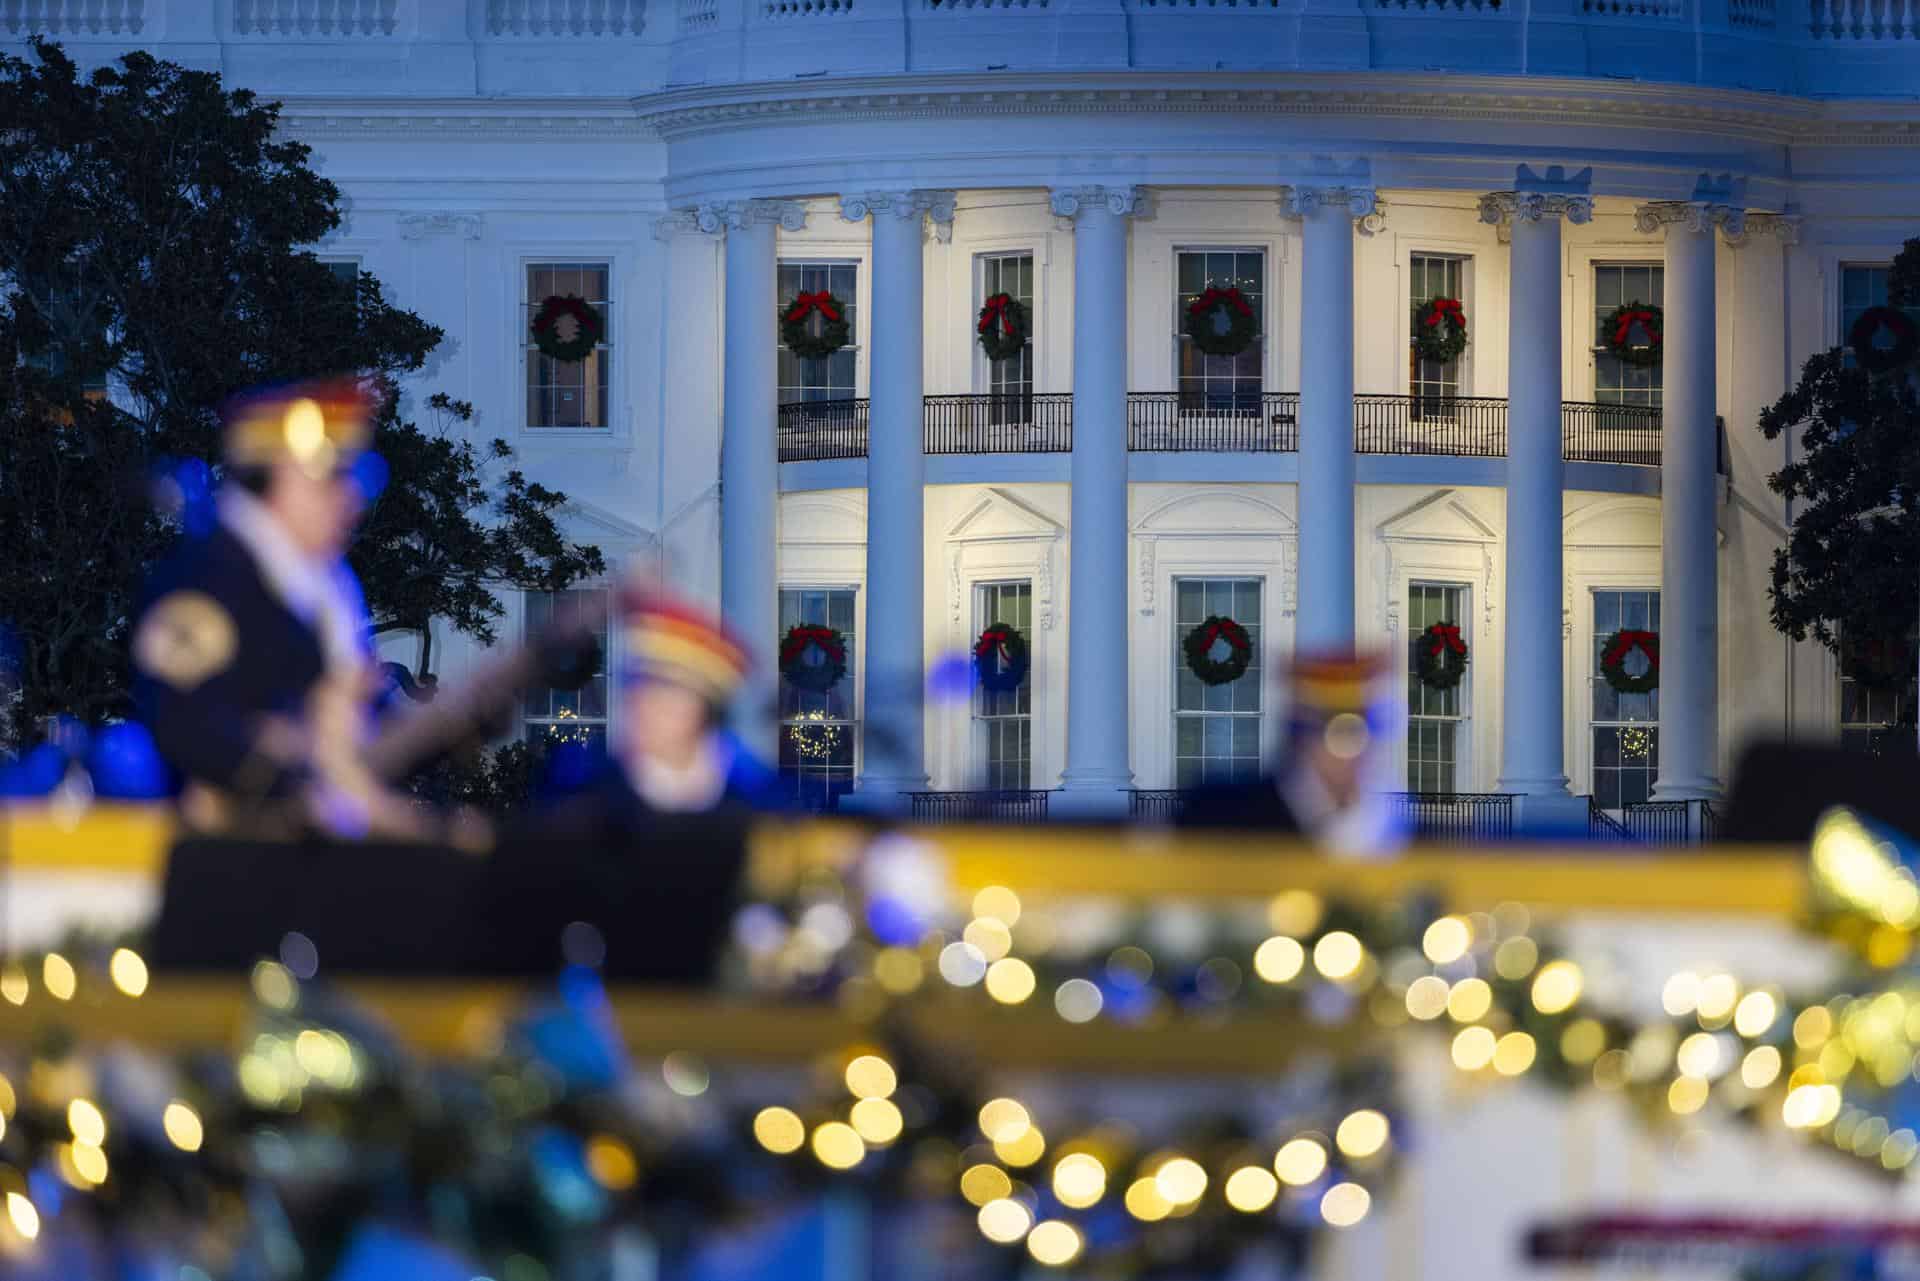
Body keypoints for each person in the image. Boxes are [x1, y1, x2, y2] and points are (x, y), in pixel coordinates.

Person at [130, 378, 415, 838]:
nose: (353, 499)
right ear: (280, 476)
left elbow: (362, 735)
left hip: (310, 863)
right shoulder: (207, 575)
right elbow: (186, 727)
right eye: (336, 478)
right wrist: (303, 757)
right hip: (230, 872)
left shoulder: (324, 586)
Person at [1179, 650, 1409, 858]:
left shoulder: (1403, 832)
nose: (1360, 750)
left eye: (1373, 729)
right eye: (1342, 733)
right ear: (1300, 733)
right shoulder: (1217, 812)